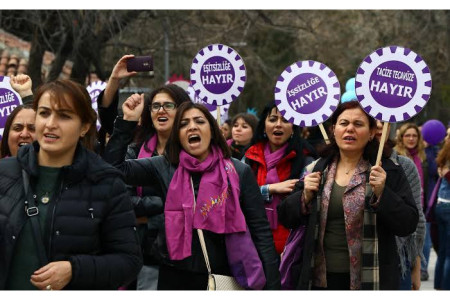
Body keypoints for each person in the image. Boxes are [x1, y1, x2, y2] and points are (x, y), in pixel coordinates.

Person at [103, 99, 281, 290]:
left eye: (199, 121)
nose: (192, 127)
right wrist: (127, 122)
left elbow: (260, 232)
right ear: (177, 135)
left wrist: (272, 288)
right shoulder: (163, 166)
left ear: (212, 130)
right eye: (183, 124)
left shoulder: (239, 171)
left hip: (223, 276)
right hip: (174, 276)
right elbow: (113, 169)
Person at [0, 79, 142, 290]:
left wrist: (74, 270)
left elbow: (129, 262)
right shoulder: (5, 173)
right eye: (44, 113)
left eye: (64, 116)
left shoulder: (107, 183)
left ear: (84, 126)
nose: (50, 124)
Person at [278, 100, 418, 290]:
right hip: (320, 279)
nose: (350, 129)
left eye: (358, 124)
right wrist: (304, 197)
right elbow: (285, 217)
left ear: (371, 133)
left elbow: (408, 224)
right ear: (333, 130)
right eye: (344, 123)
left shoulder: (387, 171)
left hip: (371, 277)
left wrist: (383, 194)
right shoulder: (317, 169)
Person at [106, 84, 191, 290]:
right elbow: (118, 195)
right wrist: (165, 207)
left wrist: (148, 216)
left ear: (182, 111)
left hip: (184, 257)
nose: (161, 110)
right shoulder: (134, 152)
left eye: (168, 105)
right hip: (139, 252)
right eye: (155, 106)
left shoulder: (194, 155)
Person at [245, 102, 316, 255]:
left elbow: (308, 202)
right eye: (272, 119)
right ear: (264, 125)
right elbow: (238, 196)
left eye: (285, 120)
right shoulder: (249, 158)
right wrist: (270, 189)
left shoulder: (306, 160)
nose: (278, 125)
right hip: (252, 243)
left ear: (293, 128)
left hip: (292, 247)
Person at [375, 121, 425, 290]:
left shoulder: (404, 166)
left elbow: (416, 218)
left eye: (383, 122)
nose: (379, 126)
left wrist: (416, 267)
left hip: (399, 260)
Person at [395, 123, 431, 281]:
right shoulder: (397, 158)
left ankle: (420, 268)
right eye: (407, 135)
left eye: (414, 136)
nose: (411, 138)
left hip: (422, 206)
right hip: (405, 210)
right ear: (401, 138)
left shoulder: (422, 157)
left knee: (424, 242)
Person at [433, 140, 450, 289]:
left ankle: (439, 285)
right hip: (448, 205)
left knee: (444, 250)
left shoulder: (445, 154)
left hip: (441, 204)